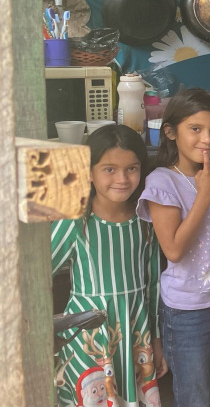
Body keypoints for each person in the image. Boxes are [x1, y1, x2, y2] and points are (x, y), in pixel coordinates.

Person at [51, 125, 166, 407]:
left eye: (131, 168)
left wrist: (157, 342)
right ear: (89, 172)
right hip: (88, 336)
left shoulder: (146, 218)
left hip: (136, 331)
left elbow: (153, 285)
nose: (122, 179)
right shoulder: (75, 220)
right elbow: (36, 272)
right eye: (109, 169)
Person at [138, 88, 210, 407]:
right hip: (188, 312)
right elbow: (174, 250)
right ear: (170, 132)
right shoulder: (163, 182)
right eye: (195, 129)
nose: (207, 139)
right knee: (196, 398)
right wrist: (205, 193)